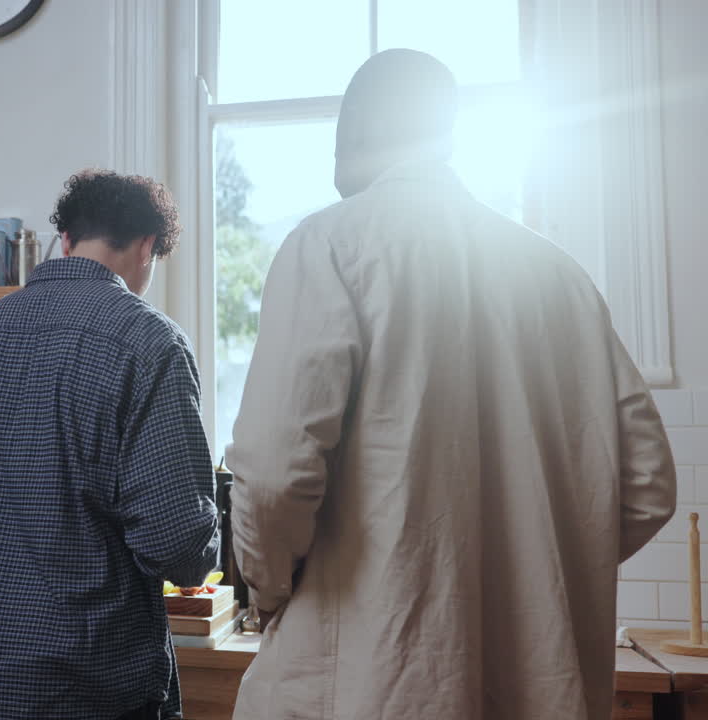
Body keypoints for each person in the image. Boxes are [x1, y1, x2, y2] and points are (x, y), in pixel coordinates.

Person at [228, 49, 676, 720]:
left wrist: (266, 590)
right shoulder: (560, 277)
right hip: (541, 681)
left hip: (373, 681)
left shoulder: (331, 245)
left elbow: (270, 475)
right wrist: (538, 573)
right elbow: (648, 486)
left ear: (363, 133)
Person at [0, 170, 221, 720]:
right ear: (147, 248)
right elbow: (178, 547)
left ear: (66, 241)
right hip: (83, 690)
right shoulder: (149, 341)